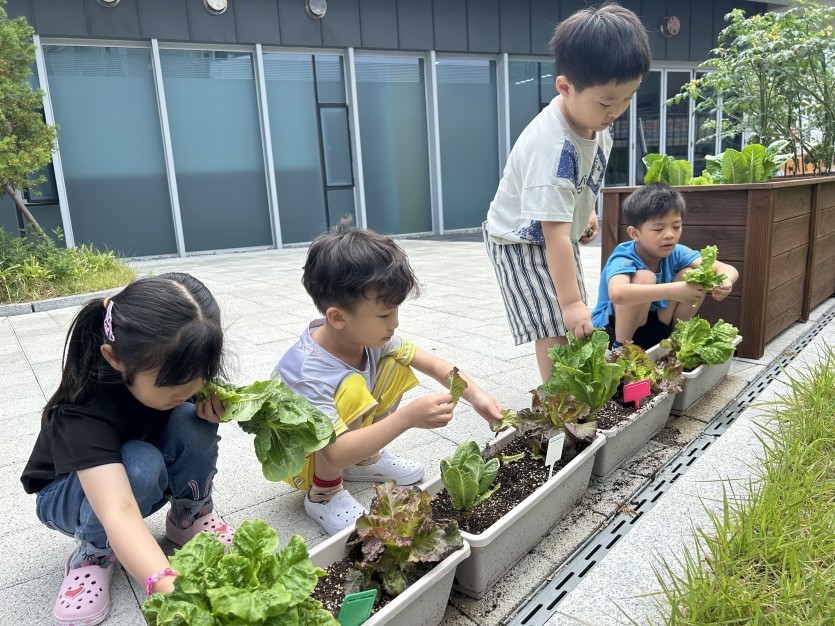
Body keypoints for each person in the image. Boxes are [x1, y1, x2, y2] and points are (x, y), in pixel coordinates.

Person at [21, 273, 235, 626]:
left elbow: (187, 396)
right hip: (67, 493)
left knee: (191, 419)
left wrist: (212, 409)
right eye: (174, 382)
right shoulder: (84, 411)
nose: (190, 388)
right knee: (140, 462)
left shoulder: (174, 371)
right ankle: (93, 554)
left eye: (201, 373)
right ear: (115, 358)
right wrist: (169, 589)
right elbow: (118, 510)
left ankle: (190, 516)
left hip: (133, 475)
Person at [275, 218, 503, 535]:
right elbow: (334, 451)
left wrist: (477, 397)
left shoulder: (368, 338)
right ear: (337, 317)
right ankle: (324, 494)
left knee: (396, 365)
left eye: (395, 311)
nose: (394, 323)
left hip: (339, 441)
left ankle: (364, 460)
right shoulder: (309, 372)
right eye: (384, 314)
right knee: (352, 388)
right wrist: (409, 417)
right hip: (302, 457)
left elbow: (434, 365)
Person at [484, 3, 651, 382]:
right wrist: (571, 302)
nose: (618, 110)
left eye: (628, 97)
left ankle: (573, 389)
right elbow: (552, 233)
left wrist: (584, 210)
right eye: (607, 101)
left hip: (555, 230)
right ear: (564, 87)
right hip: (519, 239)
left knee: (575, 321)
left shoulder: (597, 122)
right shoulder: (553, 148)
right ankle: (558, 401)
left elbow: (582, 181)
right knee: (556, 323)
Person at [591, 183, 739, 349]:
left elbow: (727, 269)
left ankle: (675, 342)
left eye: (676, 227)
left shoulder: (677, 252)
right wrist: (674, 290)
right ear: (635, 233)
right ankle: (619, 350)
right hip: (610, 332)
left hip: (656, 327)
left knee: (693, 274)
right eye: (658, 229)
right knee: (645, 278)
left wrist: (725, 282)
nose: (670, 235)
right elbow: (618, 294)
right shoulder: (624, 256)